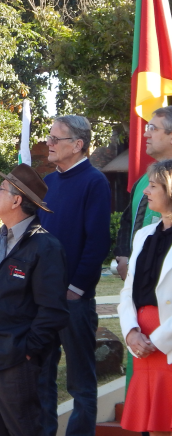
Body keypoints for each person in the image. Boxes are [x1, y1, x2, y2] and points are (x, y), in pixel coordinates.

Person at [0, 164, 69, 436]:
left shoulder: (45, 247)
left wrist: (26, 351)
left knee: (23, 426)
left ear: (17, 200)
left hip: (15, 350)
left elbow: (52, 311)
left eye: (1, 188)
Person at [36, 115, 111, 436]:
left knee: (80, 383)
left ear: (78, 144)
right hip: (42, 298)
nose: (49, 143)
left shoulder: (95, 182)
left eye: (56, 138)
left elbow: (98, 242)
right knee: (41, 377)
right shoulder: (48, 182)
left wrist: (76, 288)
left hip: (74, 301)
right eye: (49, 137)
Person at [117, 159, 172, 436]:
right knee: (153, 427)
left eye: (152, 186)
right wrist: (131, 333)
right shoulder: (143, 235)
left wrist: (159, 340)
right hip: (142, 343)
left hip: (165, 343)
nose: (146, 192)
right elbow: (128, 291)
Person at [115, 106, 172, 280]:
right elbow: (128, 219)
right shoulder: (143, 181)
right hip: (140, 277)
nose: (146, 134)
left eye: (153, 129)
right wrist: (124, 254)